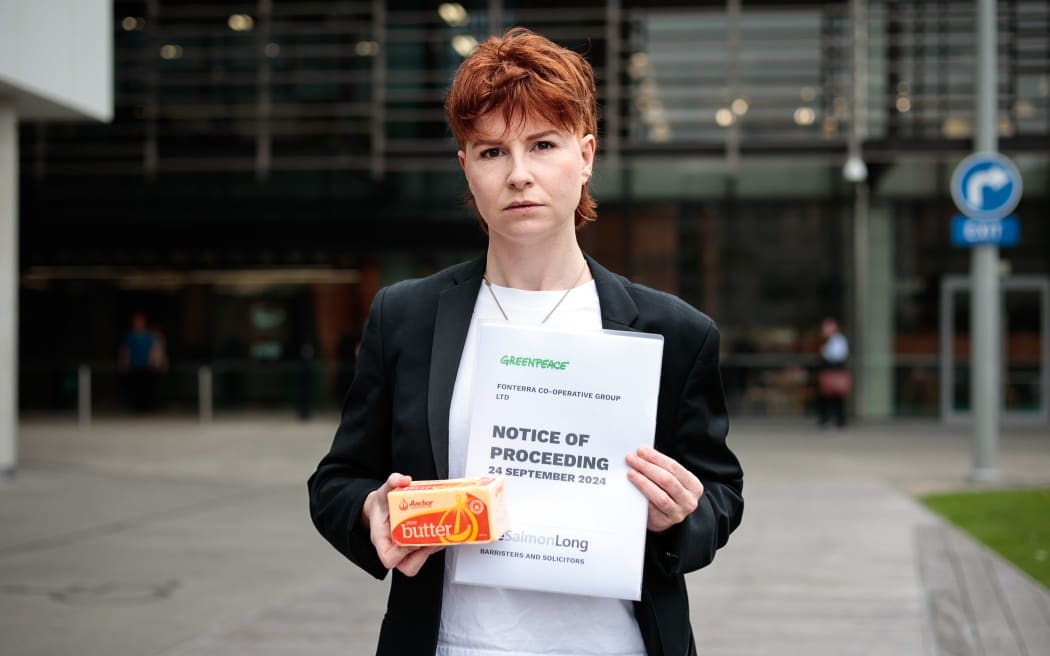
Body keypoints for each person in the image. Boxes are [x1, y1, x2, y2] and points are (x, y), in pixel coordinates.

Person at [307, 28, 744, 656]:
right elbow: (338, 480)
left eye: (543, 145)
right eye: (491, 152)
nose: (519, 175)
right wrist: (372, 510)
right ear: (466, 167)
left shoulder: (673, 332)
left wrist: (683, 512)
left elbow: (720, 494)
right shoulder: (406, 318)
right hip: (454, 644)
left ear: (586, 155)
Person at [118, 311, 159, 412]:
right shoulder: (130, 335)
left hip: (147, 365)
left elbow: (153, 349)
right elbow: (126, 350)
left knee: (147, 387)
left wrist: (154, 361)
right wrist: (124, 362)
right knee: (135, 387)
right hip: (134, 365)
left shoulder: (149, 335)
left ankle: (147, 407)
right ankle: (136, 407)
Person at [816, 316, 850, 428]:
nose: (825, 330)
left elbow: (839, 356)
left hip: (835, 372)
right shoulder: (827, 340)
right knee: (826, 396)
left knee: (836, 396)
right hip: (829, 371)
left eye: (827, 327)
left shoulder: (839, 340)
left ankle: (839, 419)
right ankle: (827, 418)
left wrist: (825, 353)